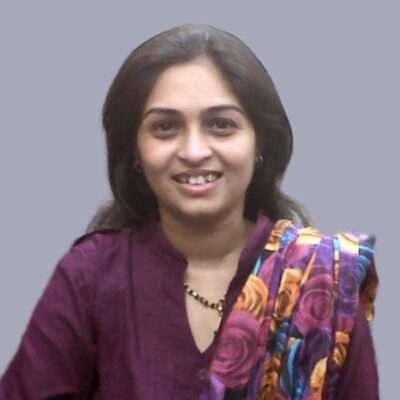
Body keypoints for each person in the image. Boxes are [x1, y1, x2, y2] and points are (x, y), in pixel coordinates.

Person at [0, 23, 379, 399]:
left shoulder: (322, 281)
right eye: (165, 127)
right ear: (134, 150)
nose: (194, 151)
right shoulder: (91, 277)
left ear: (260, 142)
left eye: (221, 125)